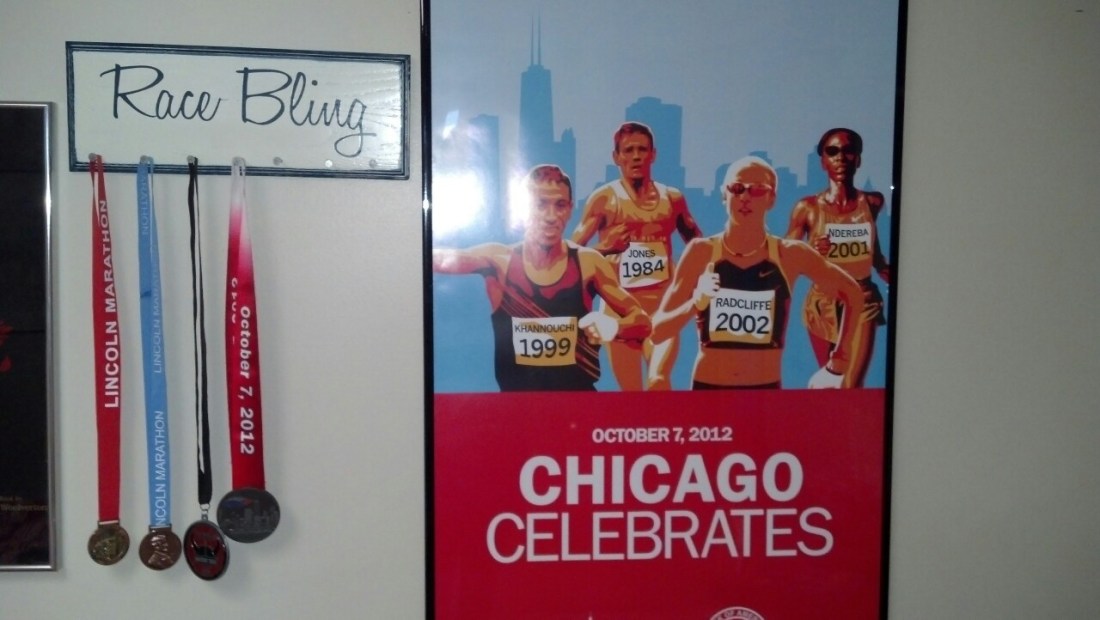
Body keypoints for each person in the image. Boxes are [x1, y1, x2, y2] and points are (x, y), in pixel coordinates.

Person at [651, 155, 864, 389]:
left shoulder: (790, 254)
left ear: (772, 199)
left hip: (765, 394)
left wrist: (838, 364)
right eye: (737, 188)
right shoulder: (700, 252)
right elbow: (657, 331)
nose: (745, 197)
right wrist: (695, 303)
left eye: (757, 190)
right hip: (707, 391)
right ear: (724, 195)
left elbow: (853, 293)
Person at [433, 164, 651, 392]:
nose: (551, 217)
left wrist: (614, 326)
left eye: (560, 205)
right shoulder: (499, 261)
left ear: (570, 209)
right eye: (540, 205)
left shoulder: (589, 262)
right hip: (517, 407)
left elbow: (642, 322)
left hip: (579, 405)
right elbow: (439, 258)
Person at [571, 122, 702, 390]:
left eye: (642, 150)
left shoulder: (672, 199)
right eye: (628, 150)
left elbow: (699, 247)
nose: (636, 157)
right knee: (631, 394)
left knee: (658, 380)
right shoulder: (604, 200)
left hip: (662, 311)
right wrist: (605, 246)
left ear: (653, 154)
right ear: (616, 157)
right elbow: (569, 256)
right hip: (620, 314)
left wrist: (693, 282)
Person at [785, 128, 890, 387]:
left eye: (848, 151)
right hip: (823, 303)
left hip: (863, 299)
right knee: (831, 383)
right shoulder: (807, 208)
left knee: (851, 385)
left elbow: (874, 253)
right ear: (823, 161)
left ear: (858, 159)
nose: (841, 158)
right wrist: (810, 252)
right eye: (832, 152)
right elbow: (785, 260)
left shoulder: (872, 202)